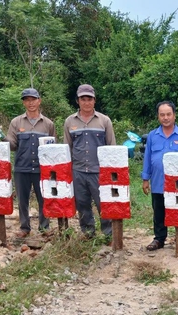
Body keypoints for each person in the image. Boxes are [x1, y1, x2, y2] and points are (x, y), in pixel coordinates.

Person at [63, 84, 116, 239]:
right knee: (82, 203)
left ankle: (108, 234)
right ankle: (87, 233)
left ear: (94, 100)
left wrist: (111, 172)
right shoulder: (69, 122)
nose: (86, 102)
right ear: (77, 101)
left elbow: (111, 146)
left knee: (103, 202)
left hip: (99, 171)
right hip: (78, 170)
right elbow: (67, 148)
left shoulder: (104, 121)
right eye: (83, 99)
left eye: (89, 99)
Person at [3, 88, 55, 238]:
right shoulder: (16, 122)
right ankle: (25, 227)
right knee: (22, 200)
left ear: (39, 101)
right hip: (22, 167)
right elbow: (12, 145)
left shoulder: (48, 124)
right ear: (24, 103)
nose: (30, 103)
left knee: (44, 199)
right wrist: (2, 138)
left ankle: (44, 228)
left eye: (33, 99)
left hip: (41, 169)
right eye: (27, 100)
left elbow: (52, 147)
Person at [141, 101, 178, 251]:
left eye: (168, 114)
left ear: (174, 115)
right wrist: (146, 179)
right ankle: (159, 238)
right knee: (159, 211)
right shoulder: (152, 136)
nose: (165, 118)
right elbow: (148, 158)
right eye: (162, 115)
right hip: (158, 182)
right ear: (158, 117)